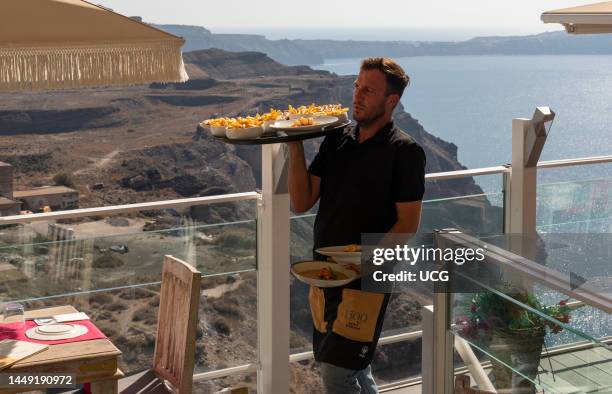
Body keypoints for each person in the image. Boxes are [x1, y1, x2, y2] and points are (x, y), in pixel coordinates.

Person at [287, 57, 426, 393]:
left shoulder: (405, 152)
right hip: (324, 274)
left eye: (368, 90)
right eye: (357, 87)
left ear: (391, 101)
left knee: (337, 373)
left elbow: (407, 224)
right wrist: (294, 144)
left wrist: (363, 263)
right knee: (354, 369)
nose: (357, 96)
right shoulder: (337, 140)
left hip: (368, 281)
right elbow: (301, 201)